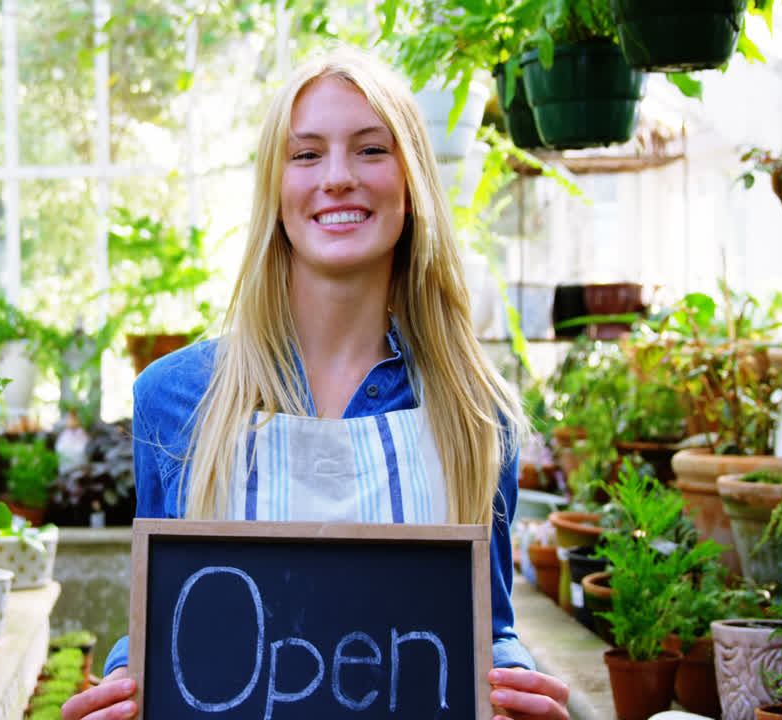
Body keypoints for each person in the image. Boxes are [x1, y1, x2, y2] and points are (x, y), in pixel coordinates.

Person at [62, 46, 570, 720]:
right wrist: (123, 688)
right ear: (275, 192)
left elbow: (486, 626)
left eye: (371, 150)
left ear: (412, 182)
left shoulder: (475, 413)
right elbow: (167, 622)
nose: (337, 178)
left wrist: (516, 684)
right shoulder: (177, 400)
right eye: (306, 155)